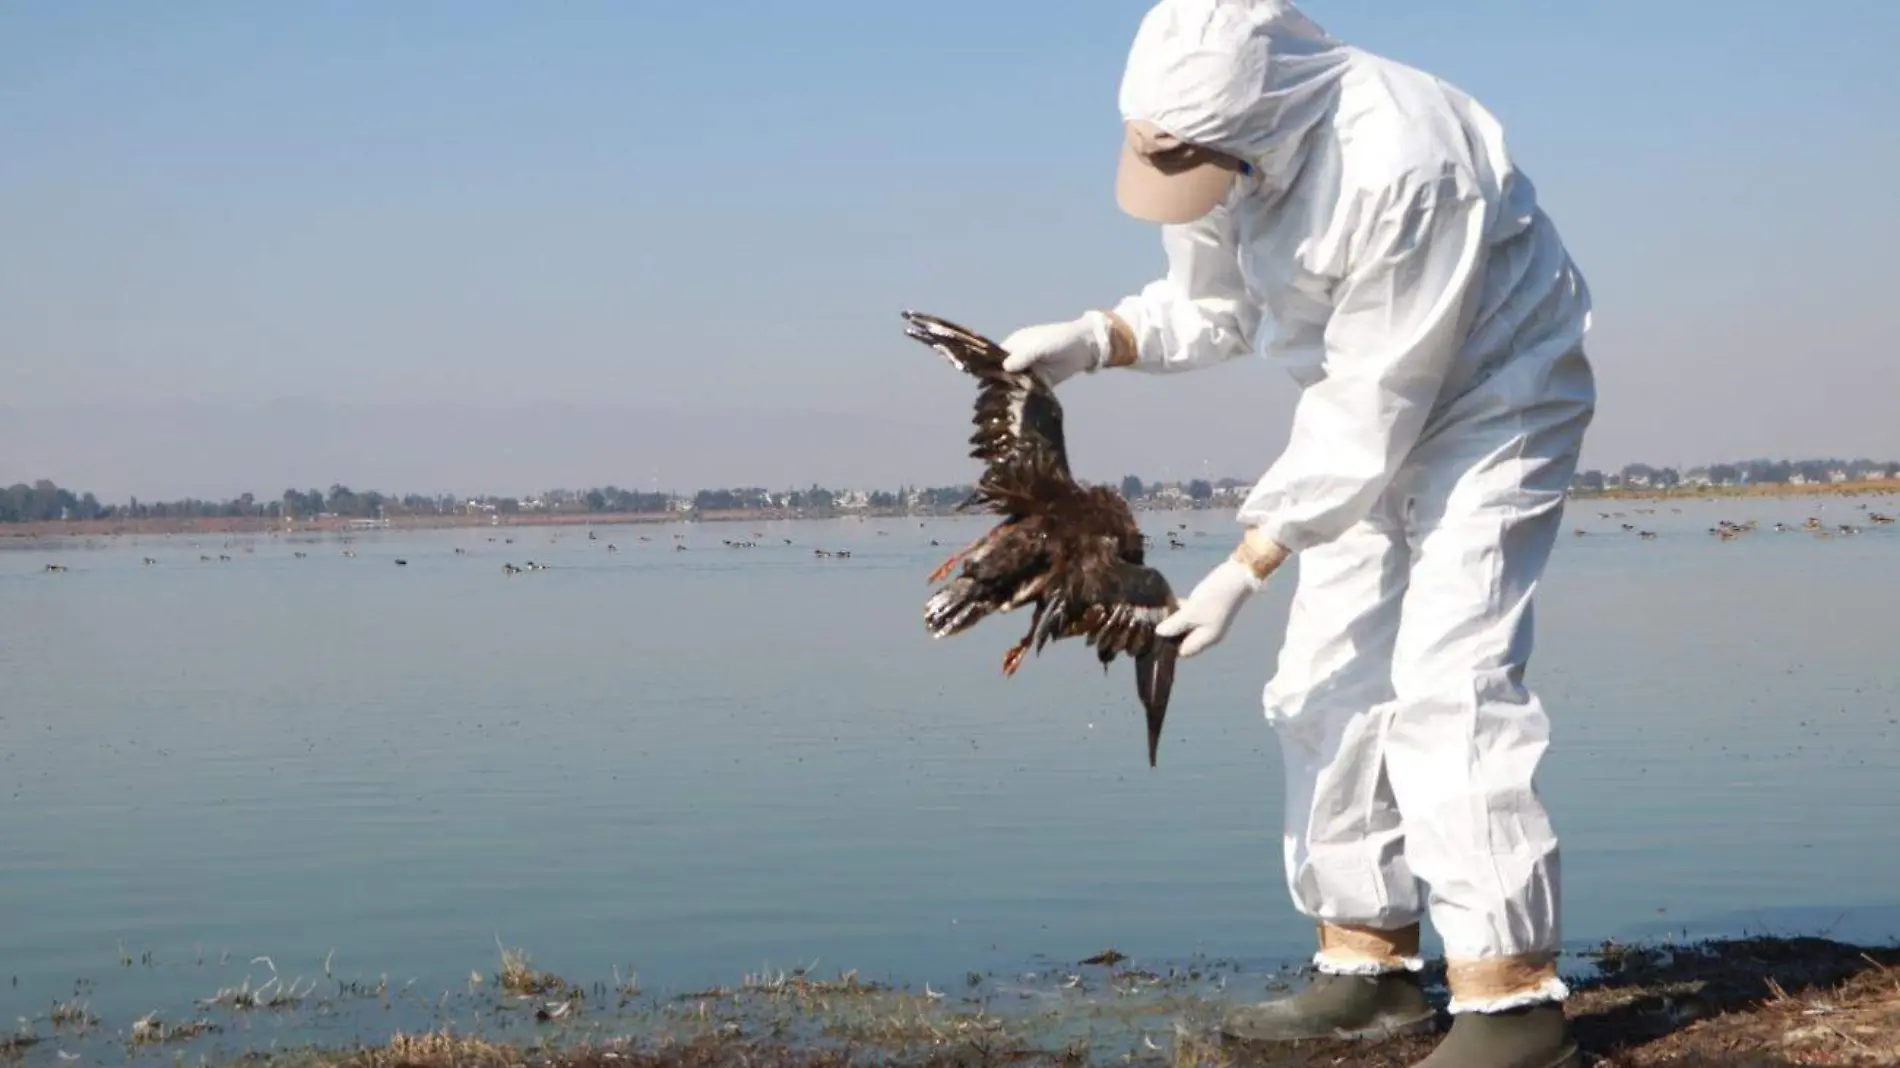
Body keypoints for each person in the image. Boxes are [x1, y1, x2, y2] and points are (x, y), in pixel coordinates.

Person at [996, 2, 1596, 1066]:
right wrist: (1097, 339)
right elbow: (1215, 310)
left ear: (1260, 112)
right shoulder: (1221, 138)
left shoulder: (1407, 161)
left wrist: (1246, 563)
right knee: (1321, 679)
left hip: (1492, 400)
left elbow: (1380, 400)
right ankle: (1367, 966)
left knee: (1447, 681)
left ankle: (1513, 1006)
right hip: (1355, 412)